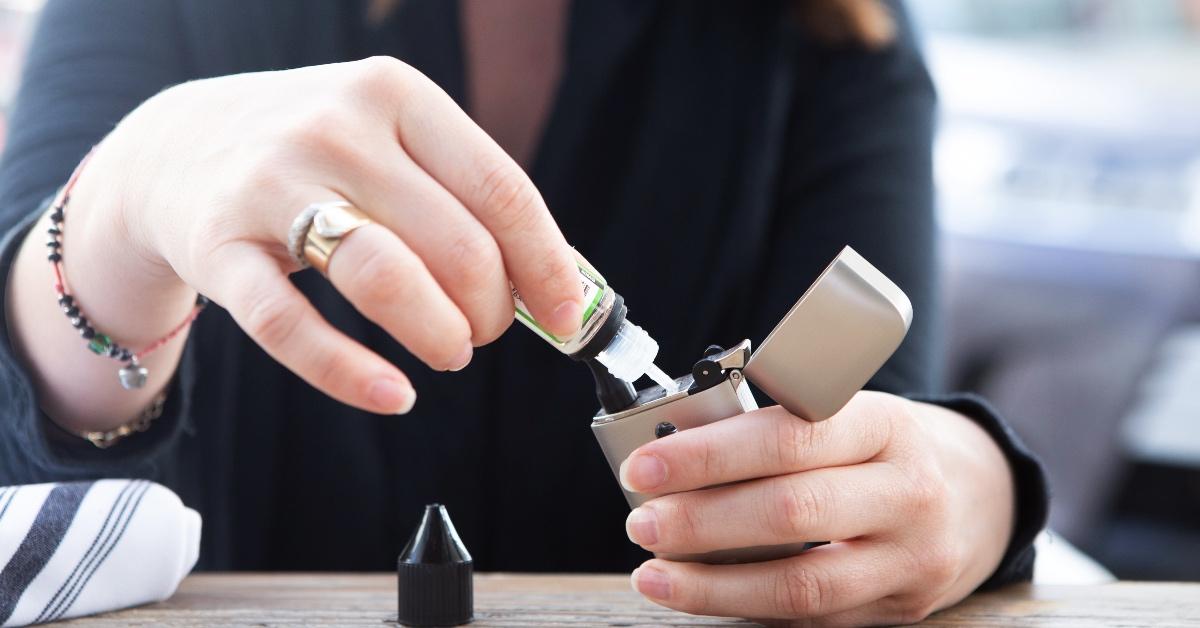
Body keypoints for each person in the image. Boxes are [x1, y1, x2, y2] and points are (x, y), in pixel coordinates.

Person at [0, 0, 1047, 624]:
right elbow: (19, 442)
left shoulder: (828, 31)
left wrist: (976, 483)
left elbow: (872, 439)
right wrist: (121, 213)